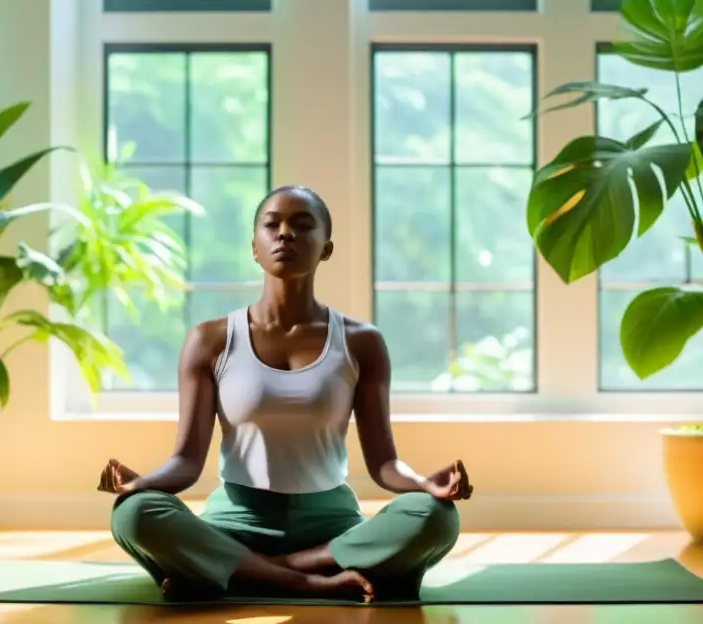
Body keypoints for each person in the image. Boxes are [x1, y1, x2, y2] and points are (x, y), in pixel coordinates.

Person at [98, 185, 471, 602]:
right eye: (271, 225)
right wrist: (141, 483)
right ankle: (312, 583)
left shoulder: (361, 342)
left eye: (302, 225)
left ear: (326, 249)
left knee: (435, 517)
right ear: (254, 248)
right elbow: (186, 462)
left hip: (331, 530)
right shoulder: (211, 339)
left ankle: (234, 572)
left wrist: (424, 484)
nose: (285, 234)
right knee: (134, 514)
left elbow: (384, 463)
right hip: (234, 524)